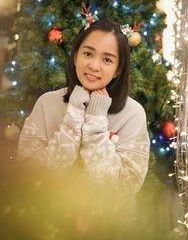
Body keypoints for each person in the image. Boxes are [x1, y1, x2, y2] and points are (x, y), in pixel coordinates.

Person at [17, 16, 150, 194]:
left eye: (107, 60)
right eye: (88, 54)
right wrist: (72, 118)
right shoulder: (47, 103)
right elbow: (28, 176)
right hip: (47, 218)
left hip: (110, 221)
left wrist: (96, 123)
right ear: (75, 57)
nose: (94, 66)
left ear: (118, 69)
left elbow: (123, 188)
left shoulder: (133, 114)